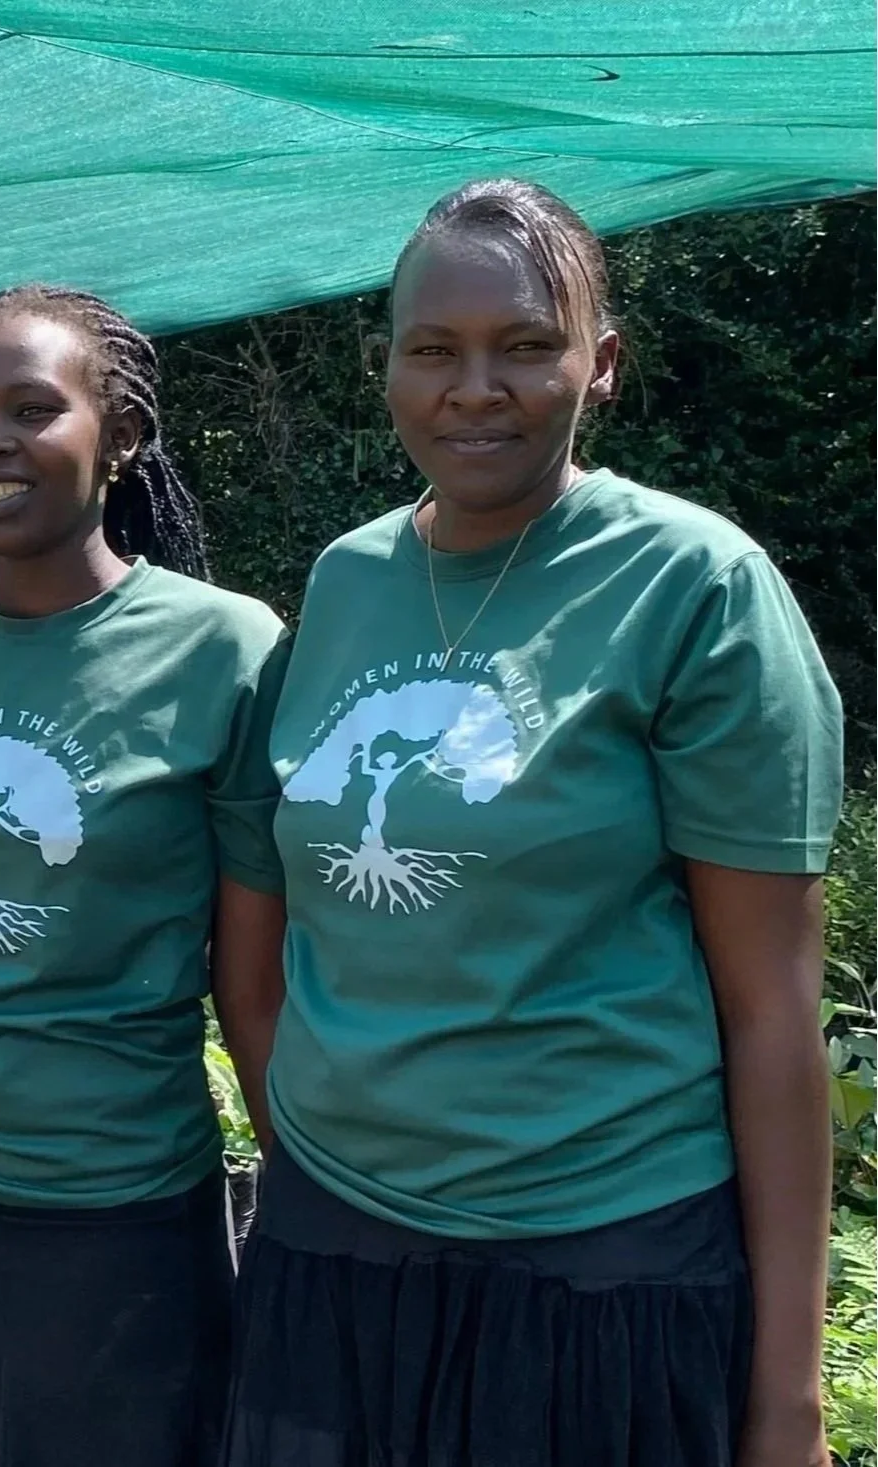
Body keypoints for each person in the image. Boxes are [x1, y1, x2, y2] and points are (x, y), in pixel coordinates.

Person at [228, 179, 844, 1467]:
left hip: (595, 1270)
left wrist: (786, 1404)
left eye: (523, 346)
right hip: (332, 1250)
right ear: (383, 367)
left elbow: (773, 1013)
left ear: (598, 362)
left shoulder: (693, 587)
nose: (474, 388)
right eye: (433, 350)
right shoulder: (344, 581)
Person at [0, 285, 291, 1467]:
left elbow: (255, 983)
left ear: (119, 435)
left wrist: (300, 1204)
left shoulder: (226, 652)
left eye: (32, 409)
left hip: (110, 1223)